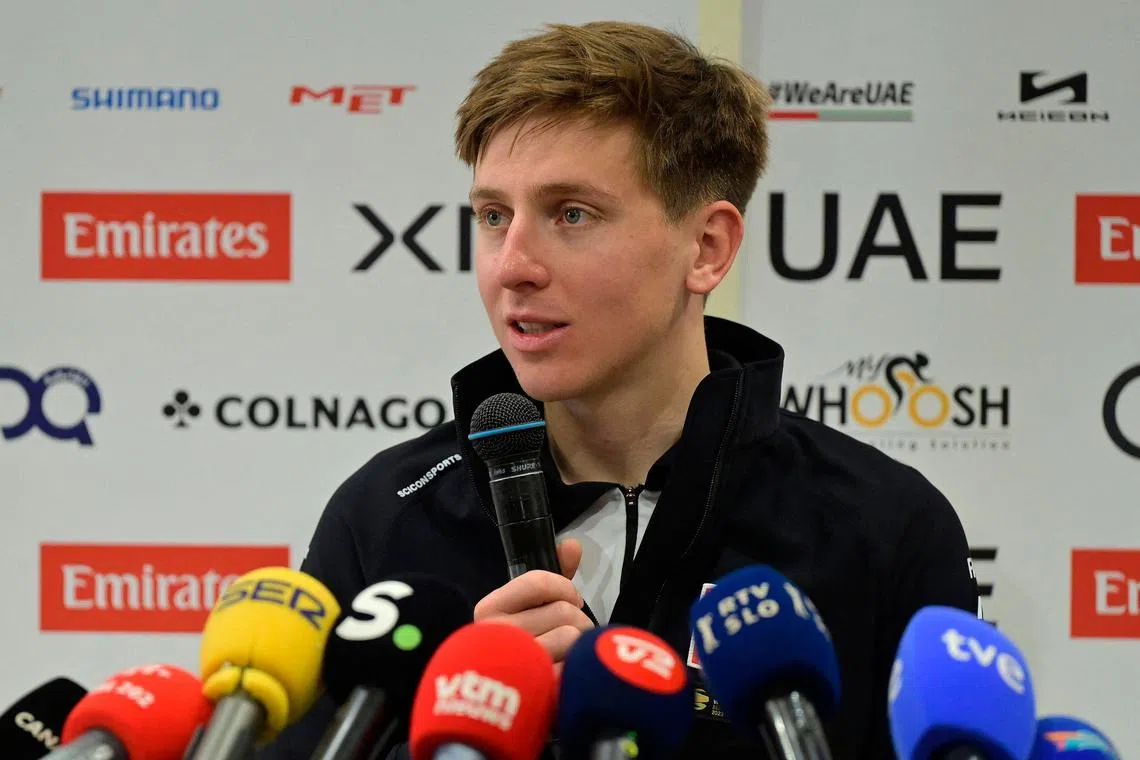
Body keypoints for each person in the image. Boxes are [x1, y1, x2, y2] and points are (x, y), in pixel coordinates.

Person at [259, 20, 979, 759]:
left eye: (572, 214)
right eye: (494, 216)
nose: (513, 266)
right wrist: (471, 718)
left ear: (707, 248)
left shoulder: (883, 526)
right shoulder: (385, 516)